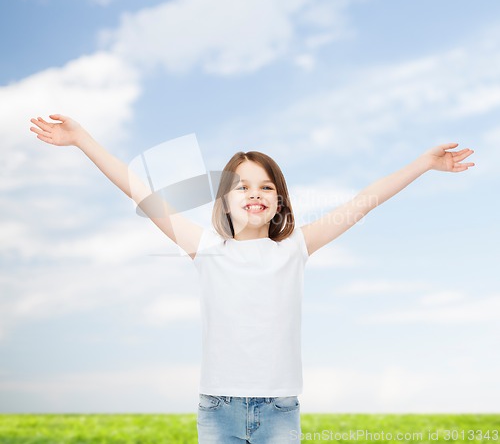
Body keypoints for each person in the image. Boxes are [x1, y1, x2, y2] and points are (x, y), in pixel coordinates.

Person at [29, 114, 475, 443]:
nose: (254, 194)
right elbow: (141, 192)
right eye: (242, 186)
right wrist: (82, 138)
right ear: (224, 202)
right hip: (217, 411)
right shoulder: (205, 247)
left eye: (265, 187)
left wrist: (423, 164)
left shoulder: (295, 249)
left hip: (281, 412)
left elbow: (365, 200)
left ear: (279, 202)